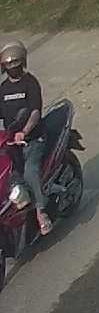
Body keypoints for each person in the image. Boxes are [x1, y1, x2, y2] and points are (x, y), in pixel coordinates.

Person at [0, 41, 51, 235]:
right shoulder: (3, 89)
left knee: (30, 171)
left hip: (33, 139)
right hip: (11, 142)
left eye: (16, 63)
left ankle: (41, 212)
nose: (13, 68)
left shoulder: (30, 83)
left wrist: (26, 131)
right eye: (9, 65)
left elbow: (35, 111)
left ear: (23, 62)